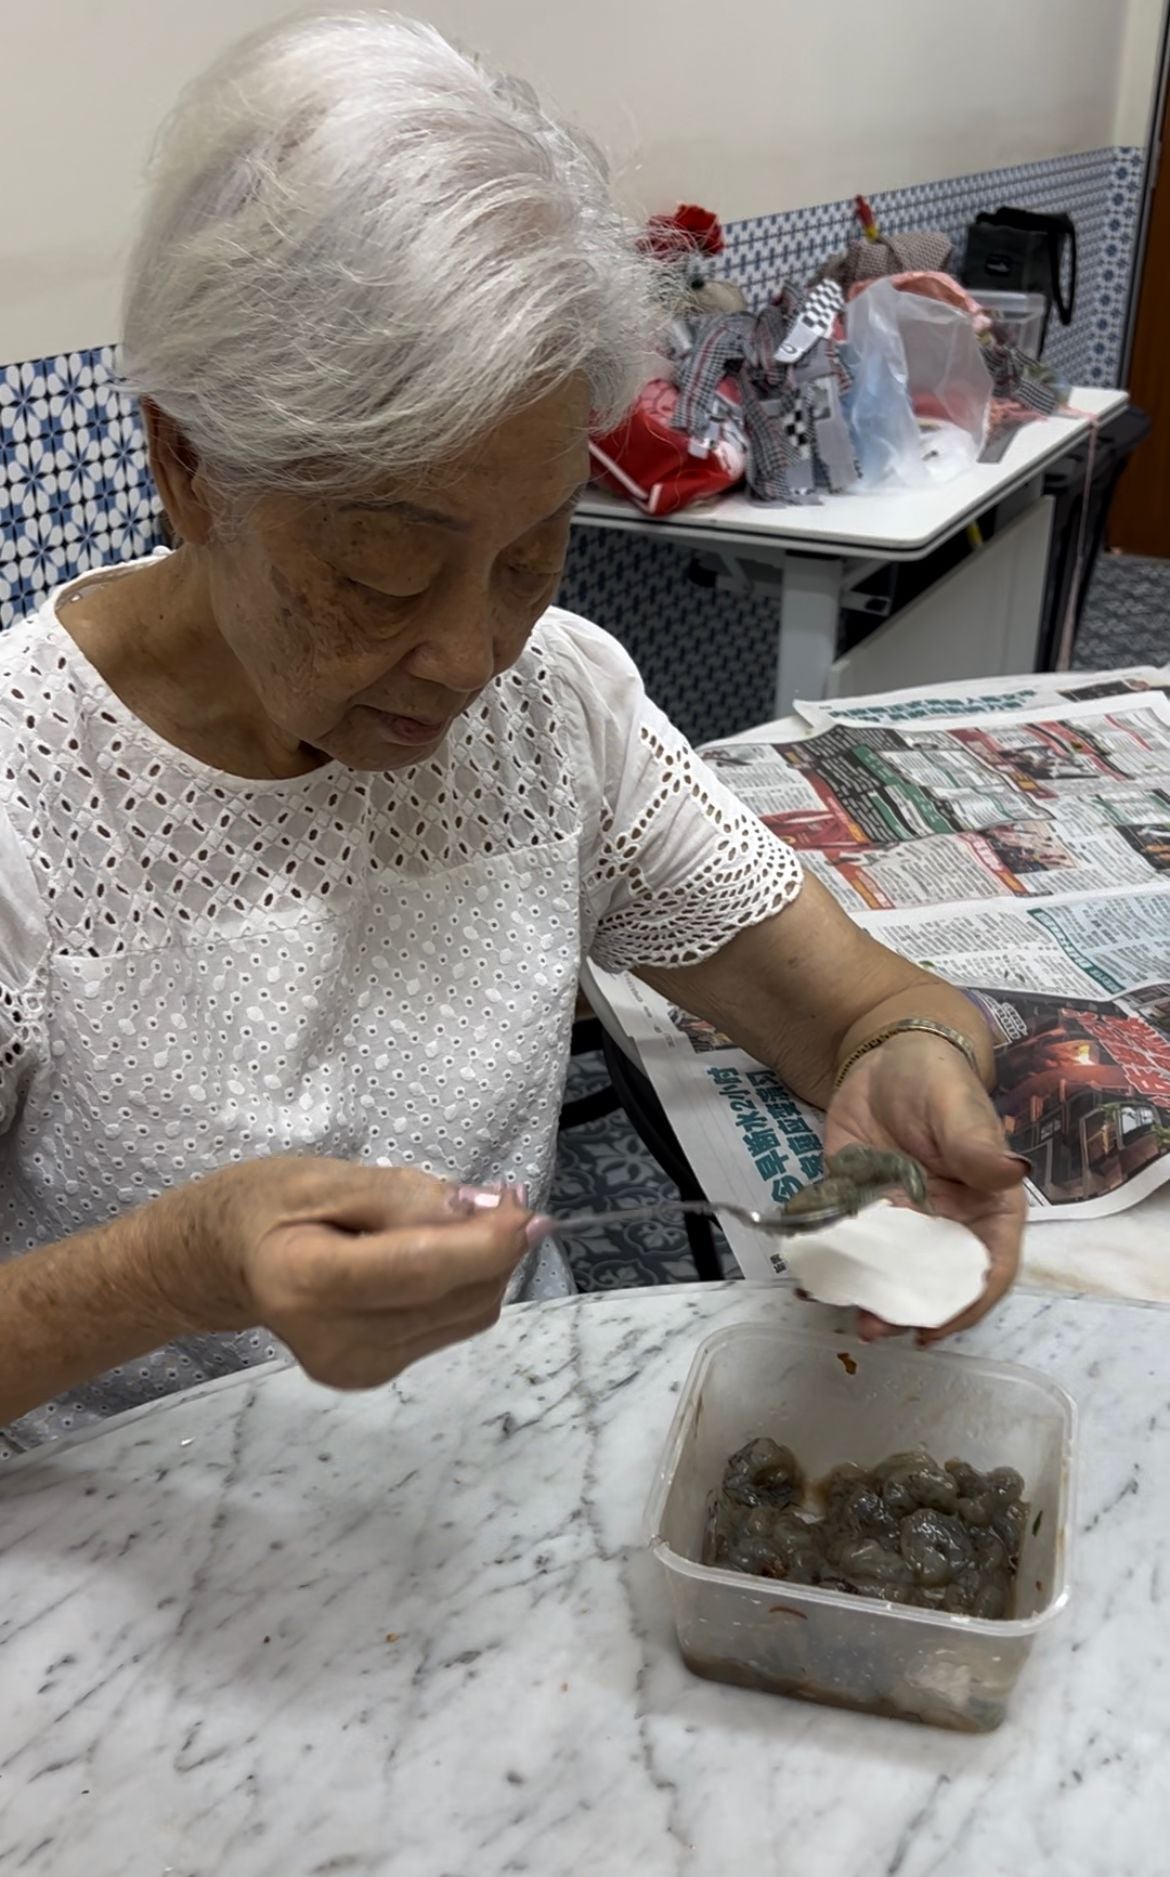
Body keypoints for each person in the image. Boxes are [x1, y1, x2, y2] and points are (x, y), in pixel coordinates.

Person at [0, 11, 1027, 1456]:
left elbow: (868, 1009)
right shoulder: (28, 791)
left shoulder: (557, 708)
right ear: (185, 461)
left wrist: (912, 1057)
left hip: (497, 1482)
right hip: (122, 1549)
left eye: (531, 554)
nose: (471, 658)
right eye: (382, 570)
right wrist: (179, 1271)